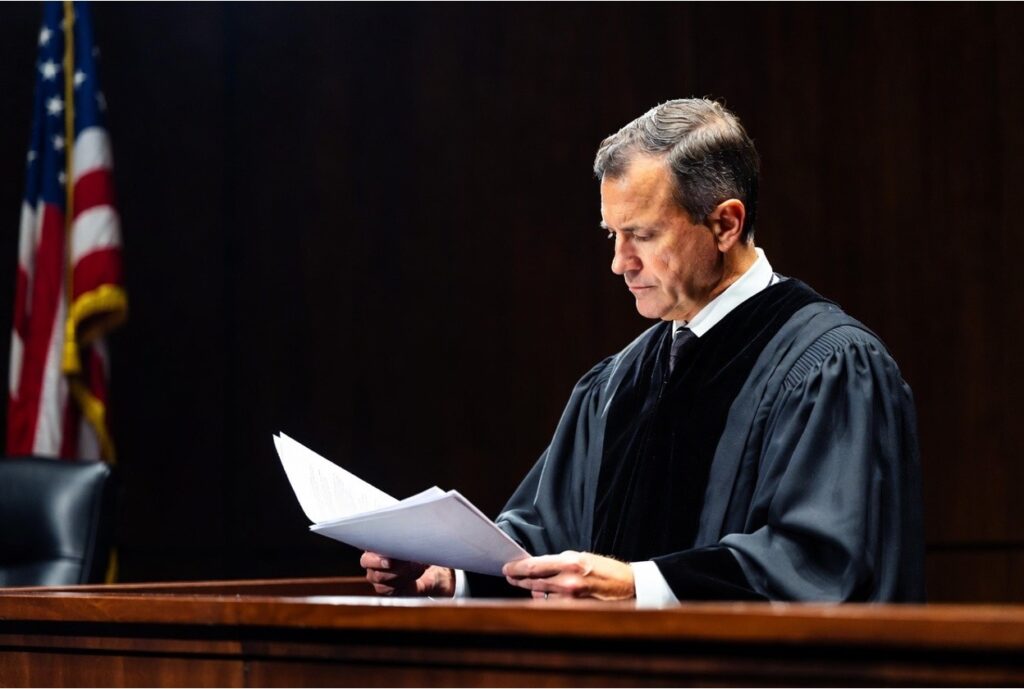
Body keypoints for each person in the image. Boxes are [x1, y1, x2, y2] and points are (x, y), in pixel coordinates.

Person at [361, 98, 924, 604]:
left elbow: (823, 562)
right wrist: (451, 575)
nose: (619, 262)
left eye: (643, 235)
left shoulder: (830, 367)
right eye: (613, 235)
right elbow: (549, 535)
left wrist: (639, 585)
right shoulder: (618, 382)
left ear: (726, 223)